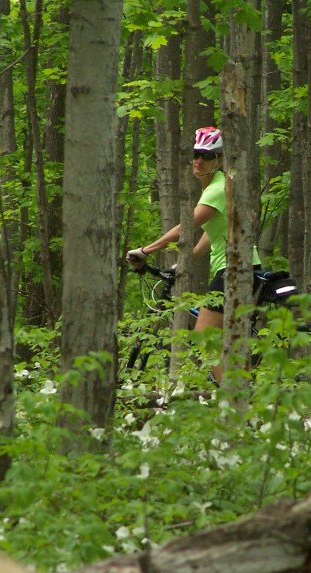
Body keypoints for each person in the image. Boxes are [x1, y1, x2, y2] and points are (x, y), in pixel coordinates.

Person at [127, 126, 258, 383]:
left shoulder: (217, 189)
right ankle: (239, 391)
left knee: (202, 334)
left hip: (234, 269)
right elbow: (215, 230)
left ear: (219, 160)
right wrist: (186, 260)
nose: (199, 160)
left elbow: (188, 226)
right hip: (240, 267)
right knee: (222, 336)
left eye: (207, 155)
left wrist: (146, 250)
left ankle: (232, 398)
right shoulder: (218, 187)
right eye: (196, 153)